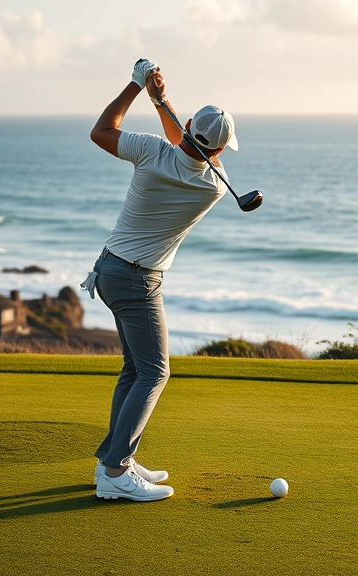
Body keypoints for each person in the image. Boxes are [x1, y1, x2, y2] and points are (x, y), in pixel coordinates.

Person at [81, 58, 240, 502]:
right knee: (154, 371)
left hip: (110, 268)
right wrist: (162, 102)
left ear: (188, 124)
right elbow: (192, 150)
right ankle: (114, 471)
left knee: (135, 369)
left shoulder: (151, 151)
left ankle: (115, 459)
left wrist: (138, 89)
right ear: (221, 151)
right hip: (138, 282)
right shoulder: (213, 184)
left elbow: (102, 131)